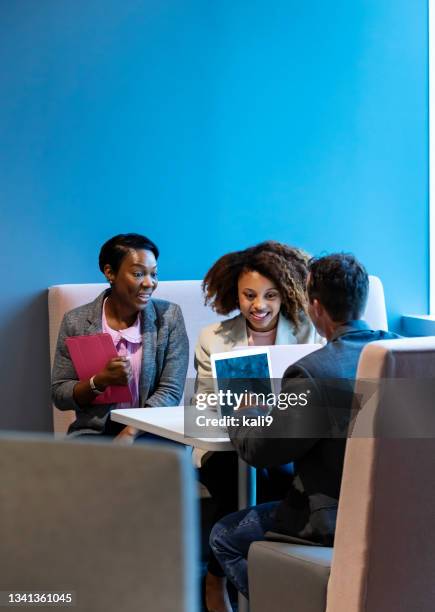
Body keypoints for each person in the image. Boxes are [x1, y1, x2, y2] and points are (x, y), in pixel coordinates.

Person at [209, 253, 400, 605]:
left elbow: (261, 452)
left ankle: (293, 601)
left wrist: (243, 414)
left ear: (314, 307)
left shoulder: (312, 372)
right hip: (399, 512)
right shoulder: (399, 351)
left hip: (333, 520)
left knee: (224, 536)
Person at [194, 241, 321, 611]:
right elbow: (202, 404)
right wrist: (234, 406)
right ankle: (217, 581)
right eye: (249, 295)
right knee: (234, 484)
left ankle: (266, 584)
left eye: (270, 296)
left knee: (282, 481)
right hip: (226, 445)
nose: (259, 305)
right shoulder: (213, 338)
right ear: (235, 293)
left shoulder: (305, 334)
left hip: (281, 443)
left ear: (286, 296)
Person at [52, 233, 189, 442]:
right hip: (94, 433)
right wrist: (98, 382)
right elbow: (60, 394)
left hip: (153, 432)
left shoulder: (169, 318)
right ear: (110, 272)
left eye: (154, 274)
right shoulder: (76, 322)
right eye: (138, 274)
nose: (149, 283)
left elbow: (170, 391)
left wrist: (130, 432)